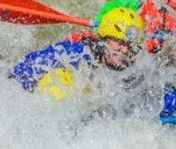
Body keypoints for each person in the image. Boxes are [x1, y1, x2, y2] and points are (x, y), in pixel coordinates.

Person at [10, 7, 146, 99]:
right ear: (104, 40)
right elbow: (23, 69)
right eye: (120, 43)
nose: (125, 50)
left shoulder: (133, 73)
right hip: (50, 104)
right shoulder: (76, 53)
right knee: (63, 80)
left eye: (130, 46)